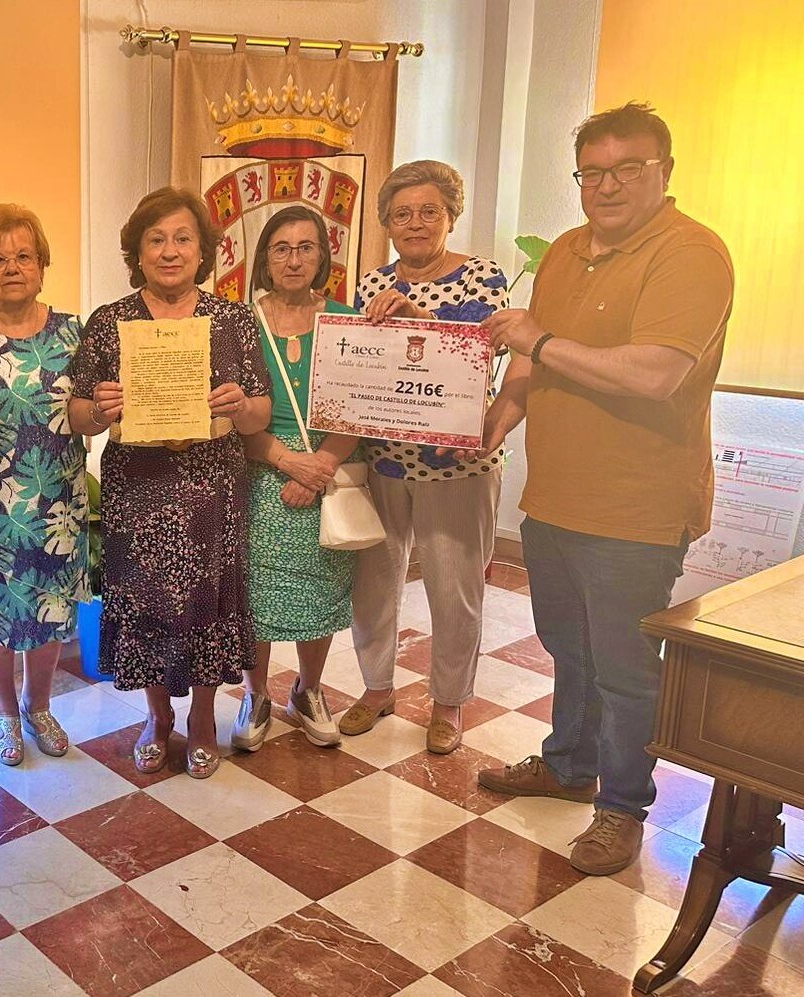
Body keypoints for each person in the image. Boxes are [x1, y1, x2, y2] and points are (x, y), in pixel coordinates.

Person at [476, 102, 733, 875]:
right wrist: (493, 419)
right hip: (554, 494)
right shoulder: (563, 251)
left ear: (665, 172)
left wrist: (540, 340)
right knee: (569, 647)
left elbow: (657, 374)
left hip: (636, 507)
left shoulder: (692, 254)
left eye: (629, 169)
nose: (609, 185)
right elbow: (529, 359)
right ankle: (568, 762)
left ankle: (622, 806)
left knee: (625, 666)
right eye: (594, 171)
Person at [69, 186, 271, 779]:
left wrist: (238, 406)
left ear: (203, 249)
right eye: (155, 239)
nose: (170, 250)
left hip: (213, 491)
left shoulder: (231, 319)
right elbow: (79, 415)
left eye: (183, 238)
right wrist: (99, 409)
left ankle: (204, 719)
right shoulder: (111, 322)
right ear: (138, 251)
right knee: (146, 604)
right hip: (139, 489)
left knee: (209, 604)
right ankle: (157, 717)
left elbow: (259, 413)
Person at [340, 161, 511, 754]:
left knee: (453, 585)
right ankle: (376, 687)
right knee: (375, 582)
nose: (415, 224)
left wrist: (418, 319)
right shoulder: (369, 284)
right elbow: (358, 363)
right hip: (384, 459)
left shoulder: (483, 276)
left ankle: (448, 703)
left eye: (428, 212)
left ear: (450, 216)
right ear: (386, 222)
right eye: (402, 214)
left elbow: (479, 349)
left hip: (458, 463)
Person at [0, 204, 88, 766]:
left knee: (49, 605)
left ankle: (39, 704)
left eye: (23, 256)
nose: (11, 267)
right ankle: (5, 712)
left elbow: (88, 412)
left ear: (43, 265)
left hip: (55, 497)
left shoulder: (74, 332)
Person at [228, 205, 362, 752]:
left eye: (306, 247)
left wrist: (320, 465)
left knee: (321, 588)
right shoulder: (238, 322)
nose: (293, 259)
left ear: (323, 257)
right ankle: (255, 694)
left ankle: (308, 690)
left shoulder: (346, 320)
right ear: (264, 258)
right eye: (281, 248)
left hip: (327, 474)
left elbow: (359, 405)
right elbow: (231, 412)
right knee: (254, 593)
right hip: (259, 471)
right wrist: (288, 462)